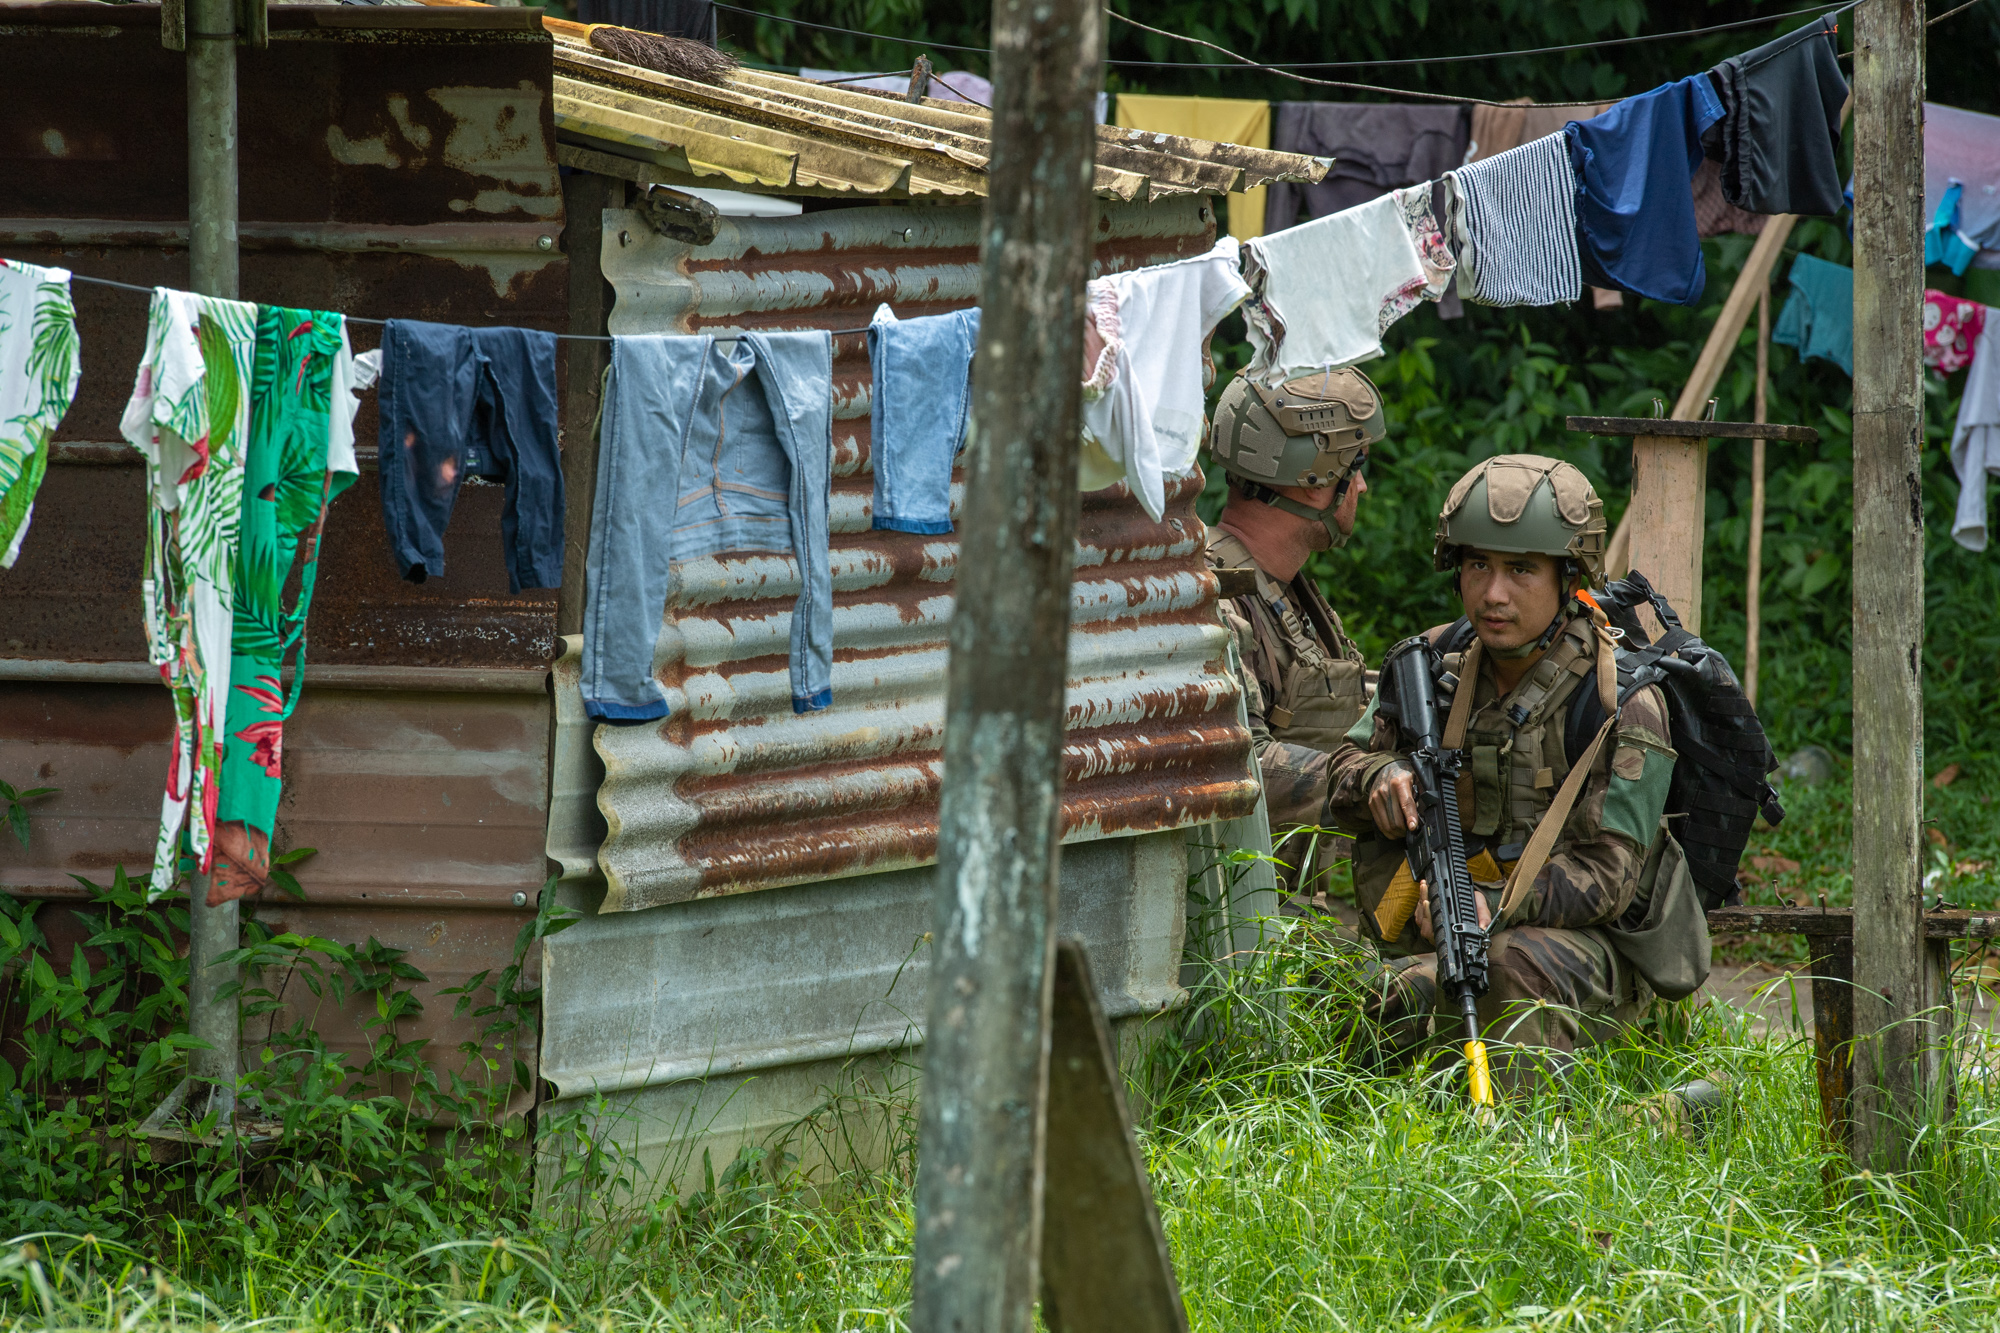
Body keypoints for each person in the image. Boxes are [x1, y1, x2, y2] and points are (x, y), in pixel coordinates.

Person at [1327, 454, 1692, 1089]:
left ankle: (1525, 1155)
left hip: (1599, 957)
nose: (1493, 594)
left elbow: (1609, 878)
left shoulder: (1620, 703)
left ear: (1569, 576)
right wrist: (1377, 777)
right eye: (1478, 566)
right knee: (1362, 998)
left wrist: (1486, 904)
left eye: (1521, 570)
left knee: (1502, 967)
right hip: (1455, 925)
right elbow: (1344, 768)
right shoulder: (1432, 668)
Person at [1204, 367, 1380, 909]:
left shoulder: (1284, 590)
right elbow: (1241, 765)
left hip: (1290, 915)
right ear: (1316, 479)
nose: (1364, 486)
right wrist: (1374, 782)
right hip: (1233, 935)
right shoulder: (1215, 600)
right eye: (1357, 467)